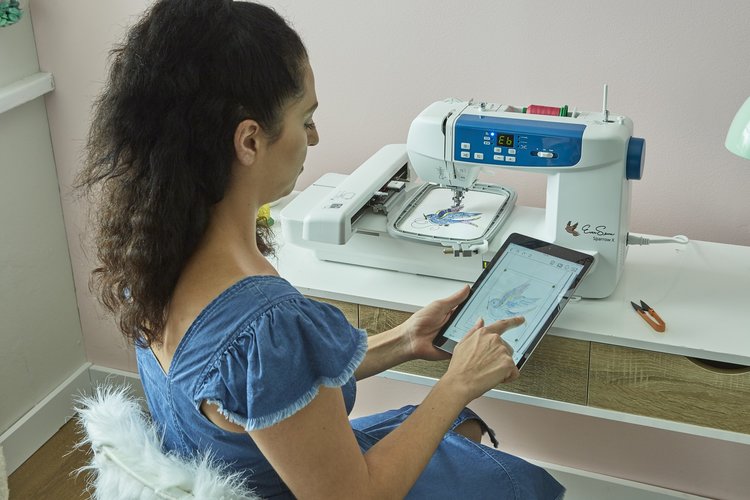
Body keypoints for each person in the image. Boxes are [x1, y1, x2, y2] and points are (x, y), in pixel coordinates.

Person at [77, 1, 565, 498]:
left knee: (461, 426)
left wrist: (403, 340)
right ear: (249, 141)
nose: (315, 135)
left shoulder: (149, 259)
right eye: (305, 118)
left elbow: (257, 395)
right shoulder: (268, 325)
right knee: (516, 478)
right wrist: (457, 381)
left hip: (253, 472)